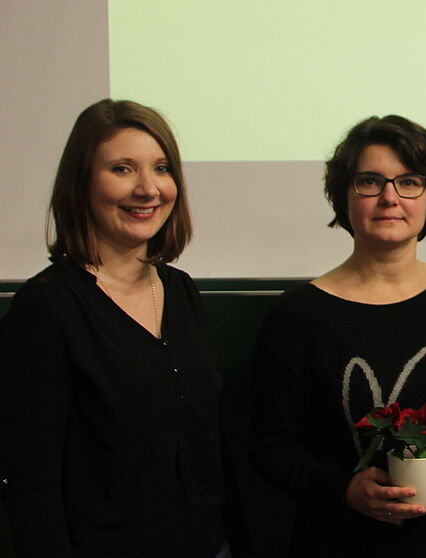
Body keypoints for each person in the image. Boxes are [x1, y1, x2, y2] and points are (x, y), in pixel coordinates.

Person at [0, 99, 244, 557]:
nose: (148, 189)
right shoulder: (47, 308)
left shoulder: (181, 291)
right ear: (81, 183)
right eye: (122, 169)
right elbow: (31, 483)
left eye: (161, 168)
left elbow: (210, 447)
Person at [250, 115, 426, 557]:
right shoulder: (297, 314)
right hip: (339, 544)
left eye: (409, 182)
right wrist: (343, 491)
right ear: (343, 195)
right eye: (369, 181)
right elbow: (271, 446)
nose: (389, 197)